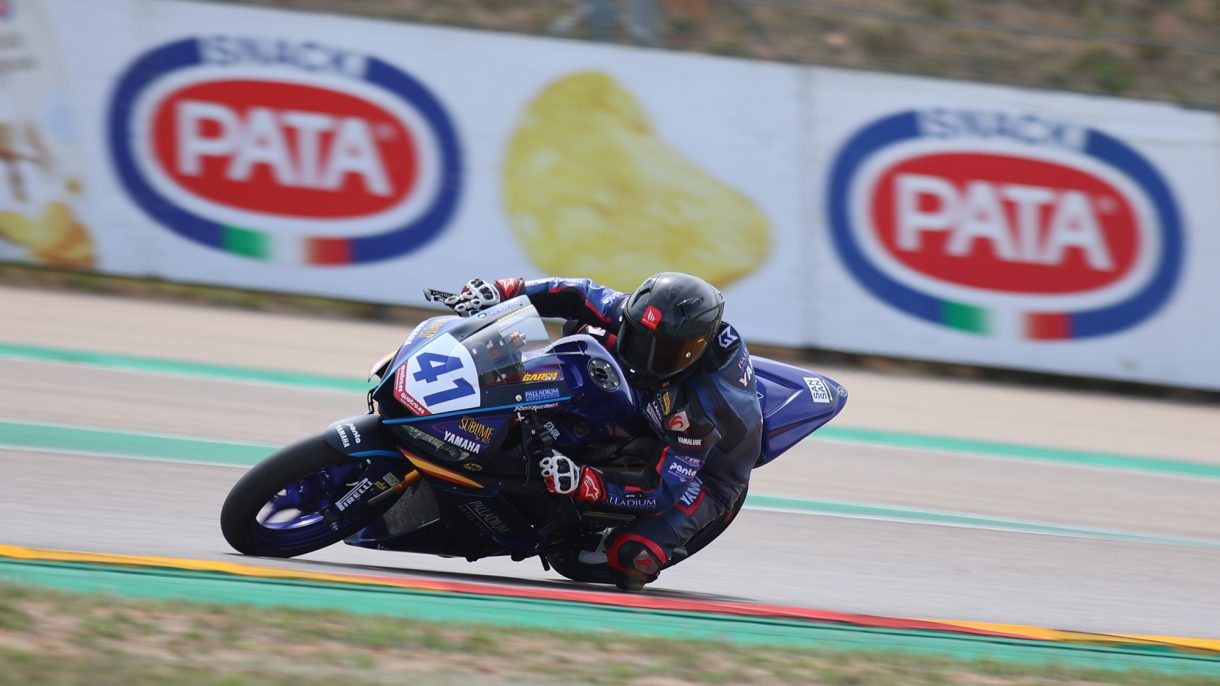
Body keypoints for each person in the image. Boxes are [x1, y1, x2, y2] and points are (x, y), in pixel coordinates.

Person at [445, 273, 763, 591]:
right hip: (655, 398)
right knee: (584, 332)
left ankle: (617, 527)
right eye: (637, 339)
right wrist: (504, 290)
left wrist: (586, 481)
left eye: (660, 352)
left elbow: (660, 488)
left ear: (692, 351)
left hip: (706, 476)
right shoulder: (648, 322)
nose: (642, 358)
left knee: (631, 560)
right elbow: (578, 293)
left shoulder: (698, 412)